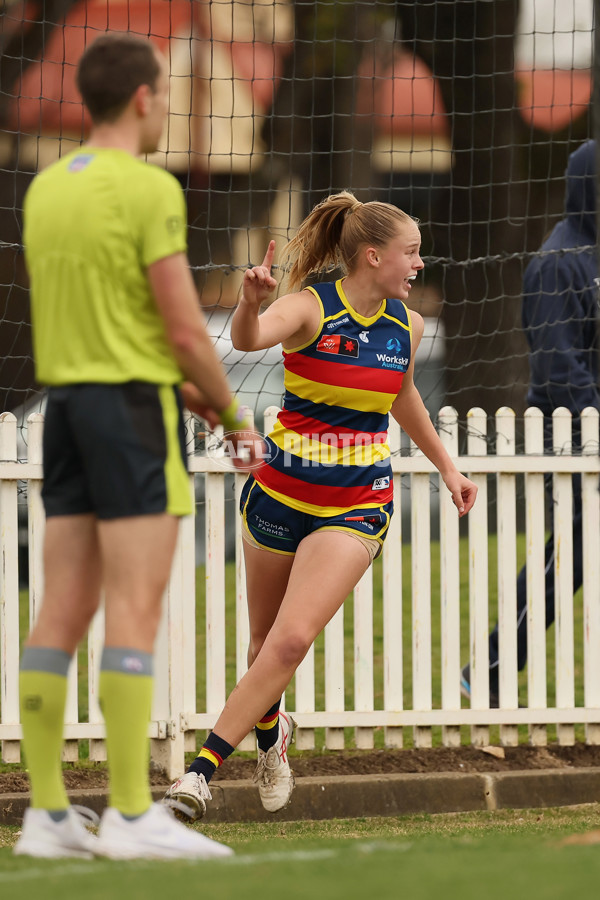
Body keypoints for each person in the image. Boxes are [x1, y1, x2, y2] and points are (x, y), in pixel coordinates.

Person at [14, 33, 263, 861]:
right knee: (134, 609)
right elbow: (183, 329)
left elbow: (119, 326)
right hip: (130, 413)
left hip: (67, 412)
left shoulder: (47, 188)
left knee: (59, 611)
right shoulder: (151, 187)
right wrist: (232, 415)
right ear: (146, 98)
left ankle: (47, 817)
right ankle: (128, 813)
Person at [165, 190, 478, 820]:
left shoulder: (406, 325)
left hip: (356, 504)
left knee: (289, 642)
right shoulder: (309, 308)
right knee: (262, 643)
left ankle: (198, 775)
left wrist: (449, 466)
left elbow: (401, 395)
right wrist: (251, 303)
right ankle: (271, 735)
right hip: (280, 494)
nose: (420, 264)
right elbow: (249, 339)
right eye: (410, 253)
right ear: (371, 256)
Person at [461, 138, 599, 708]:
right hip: (570, 437)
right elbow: (558, 365)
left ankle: (489, 669)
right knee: (570, 554)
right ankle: (488, 668)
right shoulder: (558, 262)